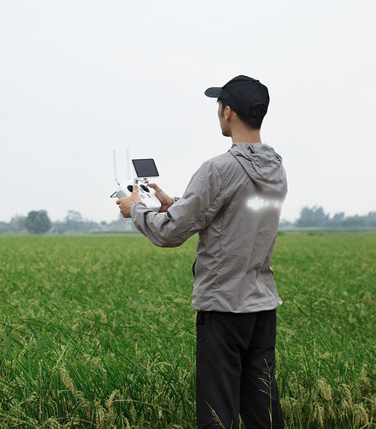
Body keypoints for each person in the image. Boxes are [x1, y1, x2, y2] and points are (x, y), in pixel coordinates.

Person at [116, 75, 287, 428]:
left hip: (223, 306)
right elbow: (239, 215)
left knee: (217, 412)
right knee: (262, 410)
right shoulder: (275, 168)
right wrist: (173, 203)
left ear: (227, 112)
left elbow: (170, 234)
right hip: (261, 305)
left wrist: (136, 208)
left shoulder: (218, 169)